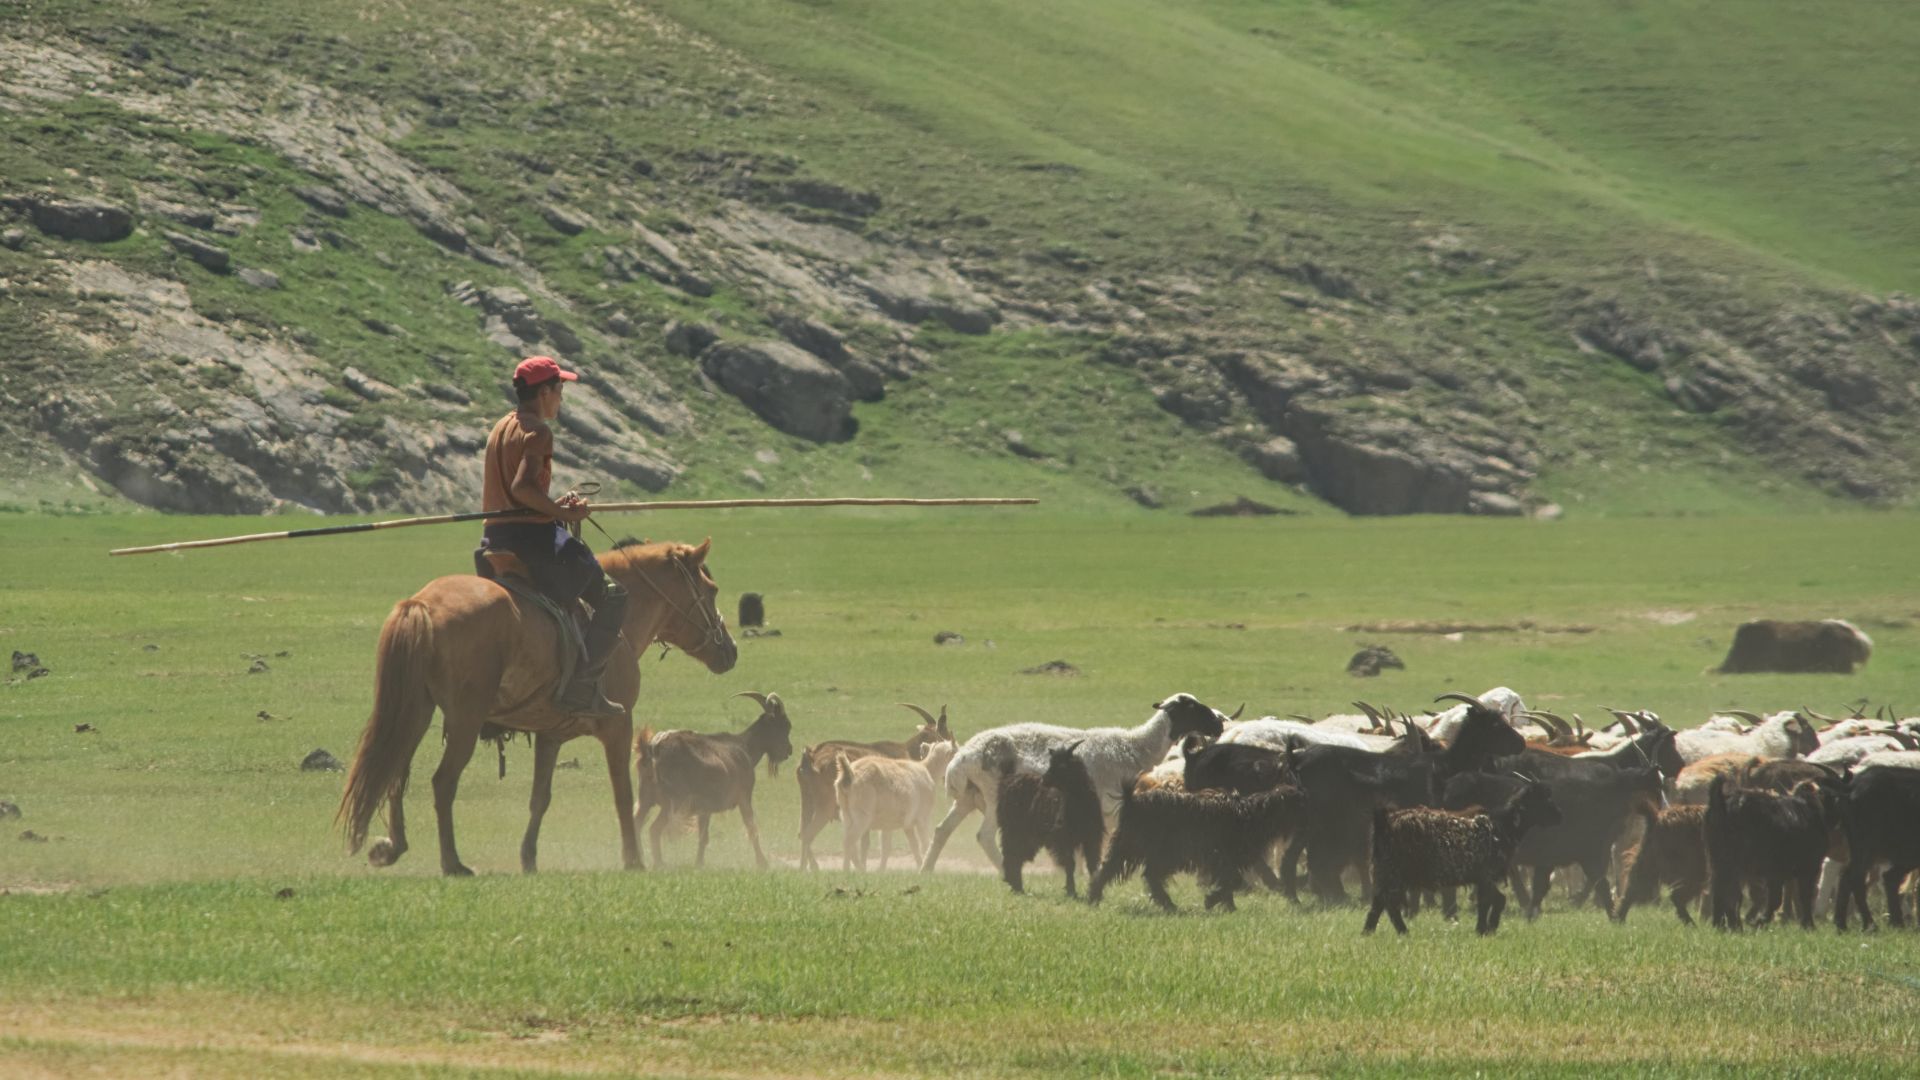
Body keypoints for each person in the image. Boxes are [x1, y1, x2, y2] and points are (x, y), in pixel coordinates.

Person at [479, 356, 628, 718]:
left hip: (494, 536)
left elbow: (519, 497)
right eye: (559, 390)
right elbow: (523, 487)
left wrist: (553, 505)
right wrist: (564, 514)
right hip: (531, 541)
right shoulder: (539, 432)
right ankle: (583, 685)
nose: (561, 398)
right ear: (544, 392)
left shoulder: (502, 426)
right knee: (613, 595)